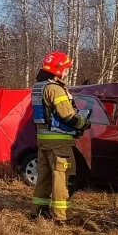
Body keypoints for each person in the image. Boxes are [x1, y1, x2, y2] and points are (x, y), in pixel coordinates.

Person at [30, 51, 91, 222]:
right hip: (59, 142)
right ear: (57, 70)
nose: (66, 72)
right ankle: (62, 217)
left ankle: (38, 210)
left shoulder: (38, 87)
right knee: (62, 178)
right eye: (65, 69)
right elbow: (68, 116)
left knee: (44, 177)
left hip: (43, 140)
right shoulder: (55, 89)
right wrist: (84, 123)